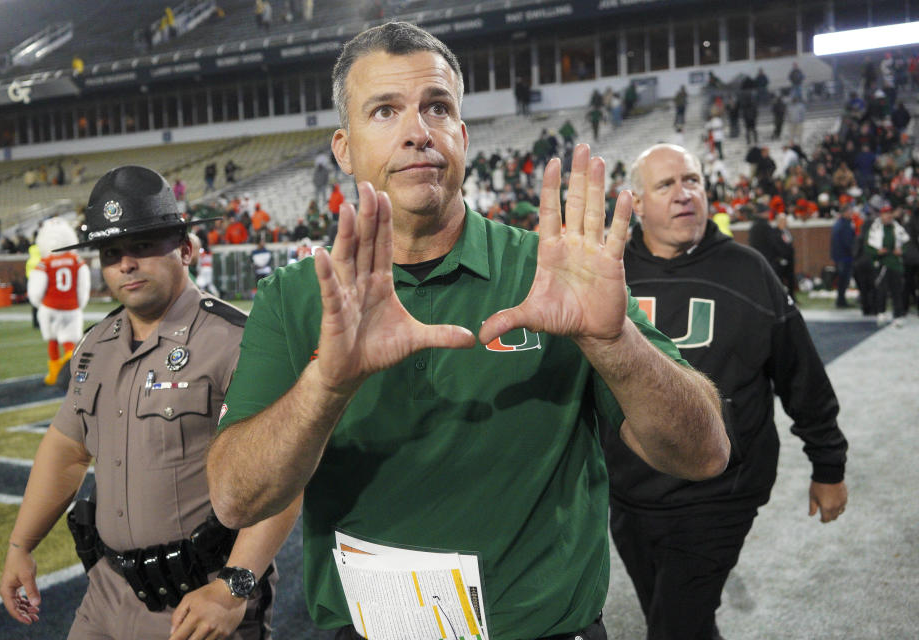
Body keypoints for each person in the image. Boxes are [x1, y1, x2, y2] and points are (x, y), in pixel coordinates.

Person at [206, 22, 728, 640]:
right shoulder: (295, 296)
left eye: (437, 108)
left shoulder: (550, 274)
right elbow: (236, 499)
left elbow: (703, 453)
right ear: (343, 148)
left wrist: (613, 343)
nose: (417, 131)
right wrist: (325, 385)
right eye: (385, 110)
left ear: (462, 133)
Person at [0, 166, 297, 639]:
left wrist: (234, 588)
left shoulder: (238, 342)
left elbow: (282, 477)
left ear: (186, 249)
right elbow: (67, 448)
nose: (126, 264)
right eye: (111, 253)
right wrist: (21, 545)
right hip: (104, 596)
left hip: (196, 602)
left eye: (142, 246)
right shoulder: (95, 345)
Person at [612, 143, 849, 640]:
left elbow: (800, 373)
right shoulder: (612, 273)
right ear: (636, 201)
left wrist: (829, 465)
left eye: (692, 180)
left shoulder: (748, 269)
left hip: (720, 491)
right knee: (677, 618)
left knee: (673, 628)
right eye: (666, 185)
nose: (684, 194)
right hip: (630, 493)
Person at [27, 218, 91, 385]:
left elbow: (36, 290)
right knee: (70, 341)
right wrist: (80, 303)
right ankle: (73, 370)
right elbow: (83, 286)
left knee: (52, 339)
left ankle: (54, 374)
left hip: (50, 307)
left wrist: (38, 303)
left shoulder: (45, 262)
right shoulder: (76, 260)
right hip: (72, 307)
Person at [868, 205, 910, 327]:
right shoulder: (875, 229)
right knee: (881, 290)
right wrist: (877, 252)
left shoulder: (897, 228)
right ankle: (881, 313)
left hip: (895, 263)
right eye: (885, 213)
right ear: (881, 215)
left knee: (897, 291)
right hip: (882, 263)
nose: (888, 216)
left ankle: (898, 315)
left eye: (889, 213)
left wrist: (901, 250)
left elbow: (906, 244)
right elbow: (868, 247)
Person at [831, 204, 857, 308]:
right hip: (844, 257)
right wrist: (854, 252)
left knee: (842, 280)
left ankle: (841, 300)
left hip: (840, 256)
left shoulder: (839, 224)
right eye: (850, 212)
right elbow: (848, 242)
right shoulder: (845, 225)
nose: (851, 214)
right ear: (844, 213)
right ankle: (841, 301)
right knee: (843, 280)